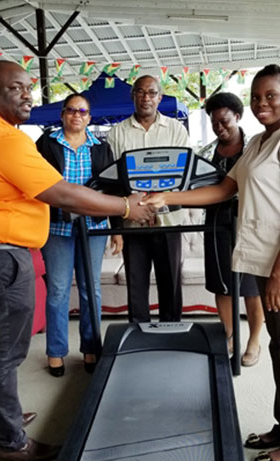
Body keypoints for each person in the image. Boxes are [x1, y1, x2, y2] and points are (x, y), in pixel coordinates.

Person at [0, 60, 155, 461]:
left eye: (28, 88)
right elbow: (63, 193)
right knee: (6, 348)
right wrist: (126, 206)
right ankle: (10, 441)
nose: (27, 95)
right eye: (16, 88)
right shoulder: (6, 138)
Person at [145, 64, 280, 461]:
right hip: (265, 257)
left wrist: (279, 271)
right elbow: (225, 188)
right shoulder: (260, 142)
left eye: (271, 96)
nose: (262, 104)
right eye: (257, 97)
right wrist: (168, 198)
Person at [35, 94, 123, 377]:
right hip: (57, 228)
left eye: (82, 111)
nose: (76, 115)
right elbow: (36, 184)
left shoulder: (101, 148)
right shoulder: (47, 144)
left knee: (91, 290)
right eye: (71, 110)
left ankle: (91, 348)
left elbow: (112, 189)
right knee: (58, 290)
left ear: (89, 117)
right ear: (63, 115)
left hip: (94, 228)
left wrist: (116, 229)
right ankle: (57, 352)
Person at [106, 75, 189, 323]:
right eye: (140, 92)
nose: (146, 98)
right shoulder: (117, 133)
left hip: (169, 221)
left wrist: (160, 198)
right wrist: (116, 228)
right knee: (136, 283)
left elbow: (182, 176)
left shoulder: (176, 129)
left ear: (159, 98)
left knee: (170, 282)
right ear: (133, 96)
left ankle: (172, 332)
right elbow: (112, 183)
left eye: (152, 93)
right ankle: (138, 335)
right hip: (132, 223)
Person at [200, 92, 265, 366]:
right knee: (221, 283)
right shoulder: (205, 153)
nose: (220, 128)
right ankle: (229, 334)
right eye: (215, 123)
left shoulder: (257, 147)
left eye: (225, 121)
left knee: (251, 286)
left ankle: (253, 340)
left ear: (237, 117)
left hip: (249, 222)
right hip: (216, 222)